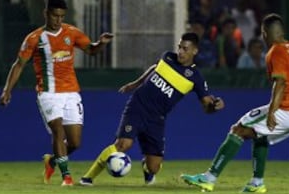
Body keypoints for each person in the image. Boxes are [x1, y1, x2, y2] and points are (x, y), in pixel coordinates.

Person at [180, 13, 289, 193]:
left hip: (288, 109)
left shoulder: (276, 51)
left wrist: (273, 111)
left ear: (265, 33)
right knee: (260, 135)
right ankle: (257, 183)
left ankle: (209, 178)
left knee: (238, 130)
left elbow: (280, 82)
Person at [79, 32, 225, 186]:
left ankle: (146, 169)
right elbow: (155, 68)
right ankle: (87, 178)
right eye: (180, 47)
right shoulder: (168, 57)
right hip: (138, 106)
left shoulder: (196, 78)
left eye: (185, 49)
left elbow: (207, 106)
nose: (180, 52)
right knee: (123, 144)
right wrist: (136, 83)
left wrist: (216, 106)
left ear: (195, 51)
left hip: (157, 118)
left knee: (154, 167)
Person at [0, 0, 113, 186]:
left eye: (61, 16)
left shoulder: (72, 33)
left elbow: (91, 50)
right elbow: (19, 64)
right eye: (54, 16)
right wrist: (7, 91)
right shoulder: (34, 38)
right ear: (46, 13)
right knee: (58, 133)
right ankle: (66, 177)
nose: (58, 20)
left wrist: (101, 43)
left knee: (75, 143)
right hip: (48, 93)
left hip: (71, 93)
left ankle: (52, 161)